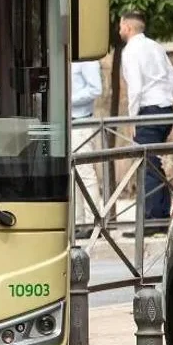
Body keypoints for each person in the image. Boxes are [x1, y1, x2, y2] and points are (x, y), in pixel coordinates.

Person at [119, 10, 173, 226]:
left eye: (120, 26)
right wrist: (168, 98)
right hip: (165, 108)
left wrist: (132, 119)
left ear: (128, 27)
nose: (119, 30)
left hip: (148, 111)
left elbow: (135, 87)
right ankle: (159, 214)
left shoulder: (130, 51)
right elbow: (172, 75)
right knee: (153, 161)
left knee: (146, 163)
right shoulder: (156, 47)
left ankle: (153, 219)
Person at [70, 60, 103, 237]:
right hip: (68, 121)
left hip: (81, 121)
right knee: (73, 174)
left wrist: (67, 99)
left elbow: (95, 89)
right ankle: (79, 222)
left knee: (85, 172)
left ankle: (93, 223)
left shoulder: (88, 60)